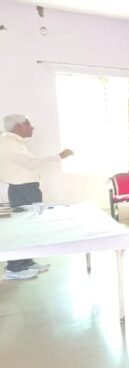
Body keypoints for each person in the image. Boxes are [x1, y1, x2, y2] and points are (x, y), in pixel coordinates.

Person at [0, 114, 74, 280]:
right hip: (23, 189)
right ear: (18, 126)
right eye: (28, 124)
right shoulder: (10, 144)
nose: (32, 127)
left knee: (29, 227)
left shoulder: (12, 142)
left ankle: (26, 263)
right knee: (22, 228)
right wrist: (60, 156)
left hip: (24, 188)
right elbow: (31, 163)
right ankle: (14, 268)